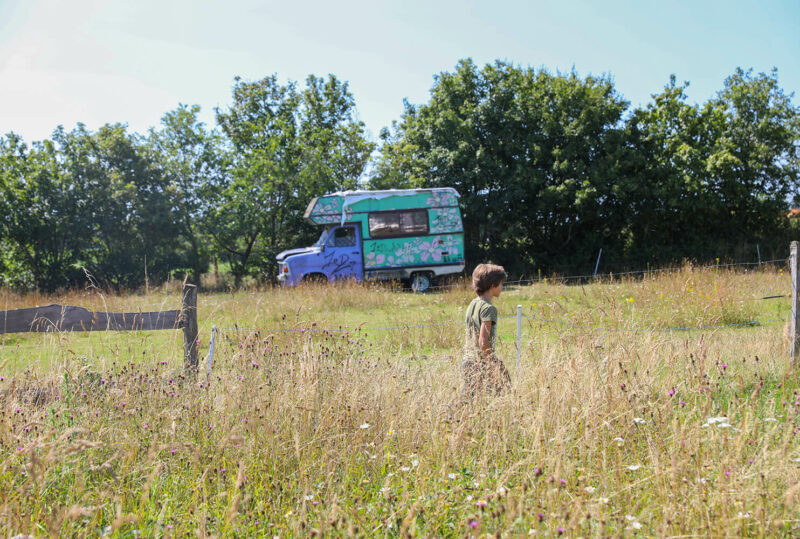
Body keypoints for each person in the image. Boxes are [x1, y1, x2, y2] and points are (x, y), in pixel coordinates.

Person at [462, 263, 511, 397]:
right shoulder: (489, 308)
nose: (502, 287)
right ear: (492, 285)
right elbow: (483, 342)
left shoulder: (473, 303)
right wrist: (496, 363)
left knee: (469, 399)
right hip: (481, 362)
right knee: (496, 394)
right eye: (501, 283)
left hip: (467, 360)